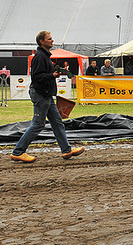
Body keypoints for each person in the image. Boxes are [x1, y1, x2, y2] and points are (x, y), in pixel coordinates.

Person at [10, 31, 85, 163]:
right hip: (40, 94)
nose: (52, 41)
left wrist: (53, 73)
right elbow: (37, 77)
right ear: (41, 41)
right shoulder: (39, 56)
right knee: (38, 124)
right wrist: (52, 76)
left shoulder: (44, 56)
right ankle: (18, 152)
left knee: (57, 123)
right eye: (49, 39)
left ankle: (66, 150)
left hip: (46, 95)